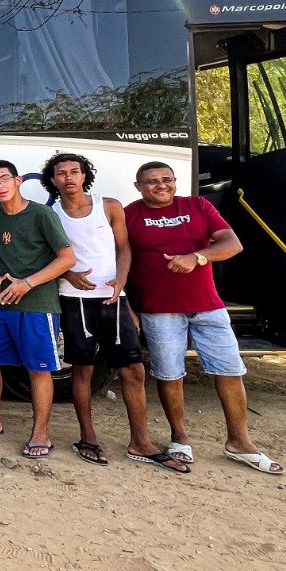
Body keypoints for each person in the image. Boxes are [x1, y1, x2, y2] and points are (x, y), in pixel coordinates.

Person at [125, 161, 281, 474]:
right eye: (152, 182)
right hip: (158, 310)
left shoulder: (198, 205)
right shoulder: (130, 214)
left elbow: (231, 243)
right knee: (169, 375)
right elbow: (120, 258)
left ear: (175, 181)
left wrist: (196, 257)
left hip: (208, 306)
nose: (161, 186)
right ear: (138, 186)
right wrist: (127, 305)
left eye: (167, 180)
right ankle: (179, 439)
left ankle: (239, 441)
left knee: (229, 370)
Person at [43, 152, 176, 470]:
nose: (69, 177)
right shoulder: (51, 216)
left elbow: (123, 247)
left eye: (74, 171)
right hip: (73, 299)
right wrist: (69, 274)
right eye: (61, 173)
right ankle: (87, 438)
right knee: (82, 371)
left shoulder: (109, 206)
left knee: (133, 370)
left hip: (112, 299)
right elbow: (50, 257)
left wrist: (121, 283)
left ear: (84, 175)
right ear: (53, 180)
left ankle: (141, 441)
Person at [0, 159, 76, 459]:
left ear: (18, 180)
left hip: (37, 305)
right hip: (0, 304)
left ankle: (41, 433)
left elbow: (67, 259)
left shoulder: (41, 214)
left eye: (4, 179)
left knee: (38, 369)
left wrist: (28, 283)